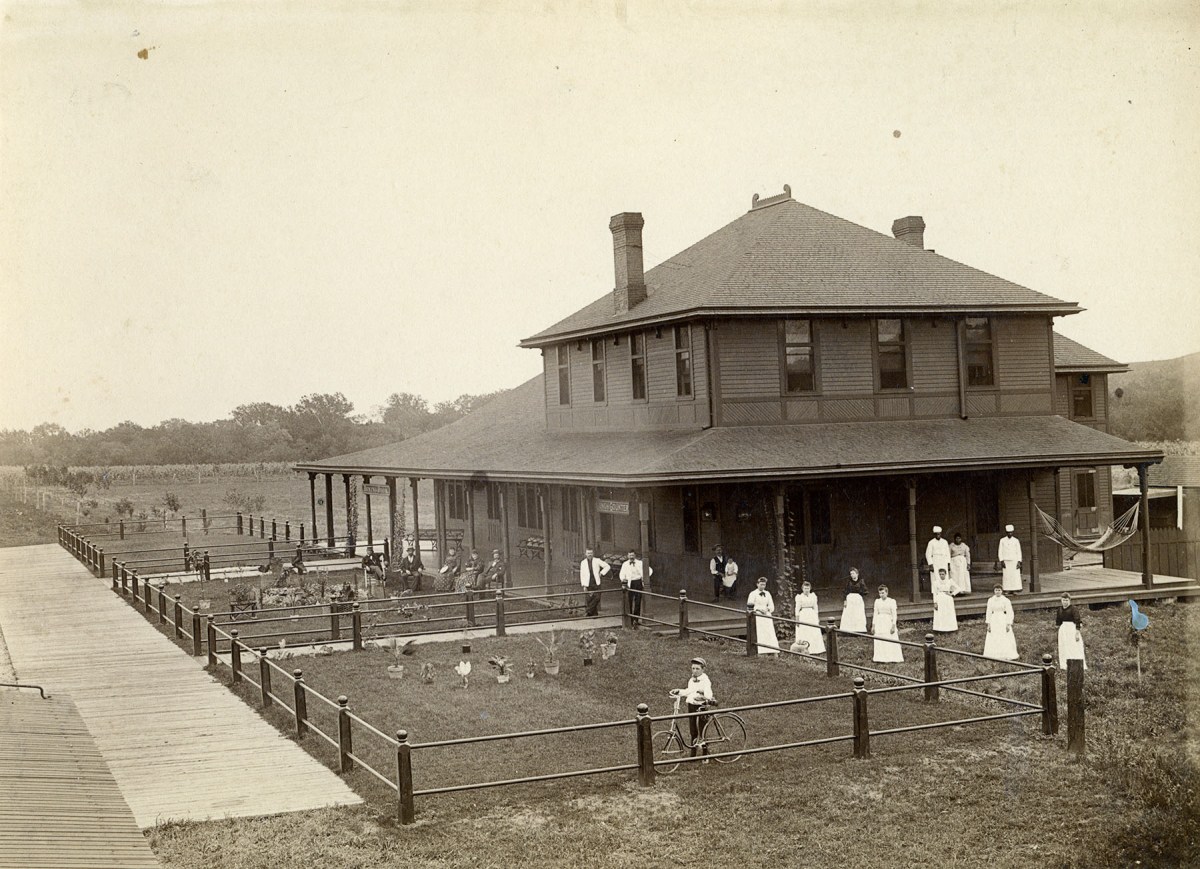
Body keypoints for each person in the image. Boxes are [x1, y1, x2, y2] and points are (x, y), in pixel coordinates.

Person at [670, 657, 714, 757]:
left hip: (701, 707)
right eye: (693, 668)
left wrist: (703, 695)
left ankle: (705, 755)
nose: (694, 671)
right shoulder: (692, 680)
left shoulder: (705, 680)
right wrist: (679, 691)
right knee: (693, 730)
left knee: (702, 730)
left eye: (697, 669)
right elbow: (689, 690)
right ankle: (693, 754)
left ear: (703, 669)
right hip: (692, 706)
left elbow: (709, 694)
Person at [982, 585, 1019, 660]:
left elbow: (1010, 612)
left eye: (999, 590)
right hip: (994, 619)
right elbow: (988, 612)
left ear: (1002, 591)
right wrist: (988, 624)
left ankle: (1005, 653)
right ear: (994, 591)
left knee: (1004, 635)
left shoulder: (1006, 600)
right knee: (994, 635)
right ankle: (993, 654)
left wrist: (1008, 623)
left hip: (1002, 619)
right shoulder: (991, 600)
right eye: (996, 590)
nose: (997, 592)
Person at [619, 549, 652, 625]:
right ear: (627, 556)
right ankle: (630, 618)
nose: (631, 557)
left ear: (635, 556)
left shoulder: (640, 563)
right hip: (629, 583)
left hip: (638, 582)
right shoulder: (625, 564)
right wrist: (623, 580)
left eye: (632, 555)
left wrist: (645, 577)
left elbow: (649, 570)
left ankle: (635, 619)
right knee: (629, 601)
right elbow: (621, 574)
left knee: (637, 602)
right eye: (630, 555)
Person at [748, 578, 779, 655]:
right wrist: (758, 609)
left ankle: (772, 650)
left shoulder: (767, 593)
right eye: (761, 584)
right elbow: (749, 606)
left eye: (764, 584)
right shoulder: (753, 594)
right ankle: (761, 651)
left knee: (769, 632)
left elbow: (771, 605)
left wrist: (768, 609)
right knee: (760, 633)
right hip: (758, 615)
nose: (762, 586)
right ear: (757, 584)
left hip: (767, 615)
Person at [872, 586, 903, 663]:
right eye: (880, 593)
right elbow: (875, 614)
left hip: (888, 621)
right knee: (880, 638)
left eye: (883, 593)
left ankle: (890, 657)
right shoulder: (877, 601)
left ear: (887, 593)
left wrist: (893, 625)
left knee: (889, 638)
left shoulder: (891, 601)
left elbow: (894, 614)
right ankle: (880, 657)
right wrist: (873, 625)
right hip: (879, 622)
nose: (881, 595)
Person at [1055, 593, 1087, 670]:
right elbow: (1058, 622)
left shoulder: (1073, 609)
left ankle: (1077, 665)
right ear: (1061, 600)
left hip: (1072, 629)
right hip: (1063, 630)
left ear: (1069, 601)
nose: (1065, 602)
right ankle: (1065, 664)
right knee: (1064, 646)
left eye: (1066, 600)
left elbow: (1078, 621)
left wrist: (1077, 633)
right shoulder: (1059, 609)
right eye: (1063, 600)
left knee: (1074, 646)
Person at [793, 580, 825, 654]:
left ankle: (816, 649)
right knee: (805, 630)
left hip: (812, 614)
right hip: (803, 614)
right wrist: (797, 619)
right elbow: (797, 609)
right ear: (802, 589)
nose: (806, 590)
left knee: (813, 630)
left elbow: (815, 607)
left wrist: (817, 617)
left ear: (810, 588)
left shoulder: (813, 596)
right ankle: (804, 649)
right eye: (805, 588)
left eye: (808, 588)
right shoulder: (799, 597)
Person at [579, 546, 610, 617]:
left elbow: (607, 566)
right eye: (588, 553)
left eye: (591, 553)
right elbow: (582, 574)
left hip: (596, 582)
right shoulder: (583, 563)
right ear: (585, 554)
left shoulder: (597, 560)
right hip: (588, 582)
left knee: (597, 598)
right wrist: (584, 585)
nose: (589, 554)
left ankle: (588, 611)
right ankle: (594, 614)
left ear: (593, 553)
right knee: (589, 599)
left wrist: (601, 573)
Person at [839, 568, 868, 633]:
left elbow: (865, 591)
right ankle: (849, 630)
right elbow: (845, 591)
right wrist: (845, 600)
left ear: (857, 574)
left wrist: (859, 594)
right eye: (851, 574)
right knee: (849, 614)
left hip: (858, 600)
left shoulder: (861, 581)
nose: (852, 575)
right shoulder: (848, 582)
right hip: (850, 599)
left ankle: (859, 630)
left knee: (858, 613)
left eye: (853, 573)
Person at [997, 525, 1023, 593]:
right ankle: (1007, 589)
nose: (1010, 534)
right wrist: (1002, 560)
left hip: (1014, 560)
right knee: (1007, 575)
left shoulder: (1016, 540)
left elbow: (1018, 551)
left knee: (1015, 575)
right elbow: (1000, 551)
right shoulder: (1002, 540)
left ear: (1013, 532)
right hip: (1006, 561)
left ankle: (1015, 589)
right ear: (1006, 532)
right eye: (1008, 532)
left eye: (1011, 532)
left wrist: (1019, 561)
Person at [925, 526, 951, 592]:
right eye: (936, 534)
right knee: (935, 576)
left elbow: (948, 553)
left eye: (939, 534)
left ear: (941, 534)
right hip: (935, 561)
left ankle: (945, 591)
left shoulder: (945, 542)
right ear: (934, 534)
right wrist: (930, 564)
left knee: (944, 575)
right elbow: (928, 554)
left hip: (943, 560)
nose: (938, 535)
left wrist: (948, 563)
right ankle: (936, 592)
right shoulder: (931, 542)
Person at [931, 568, 958, 633]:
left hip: (948, 598)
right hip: (940, 598)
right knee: (940, 613)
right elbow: (934, 593)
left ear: (946, 574)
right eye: (940, 574)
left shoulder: (949, 581)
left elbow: (958, 588)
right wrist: (935, 602)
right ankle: (940, 629)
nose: (941, 576)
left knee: (948, 613)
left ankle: (950, 628)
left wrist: (952, 593)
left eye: (943, 574)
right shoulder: (936, 582)